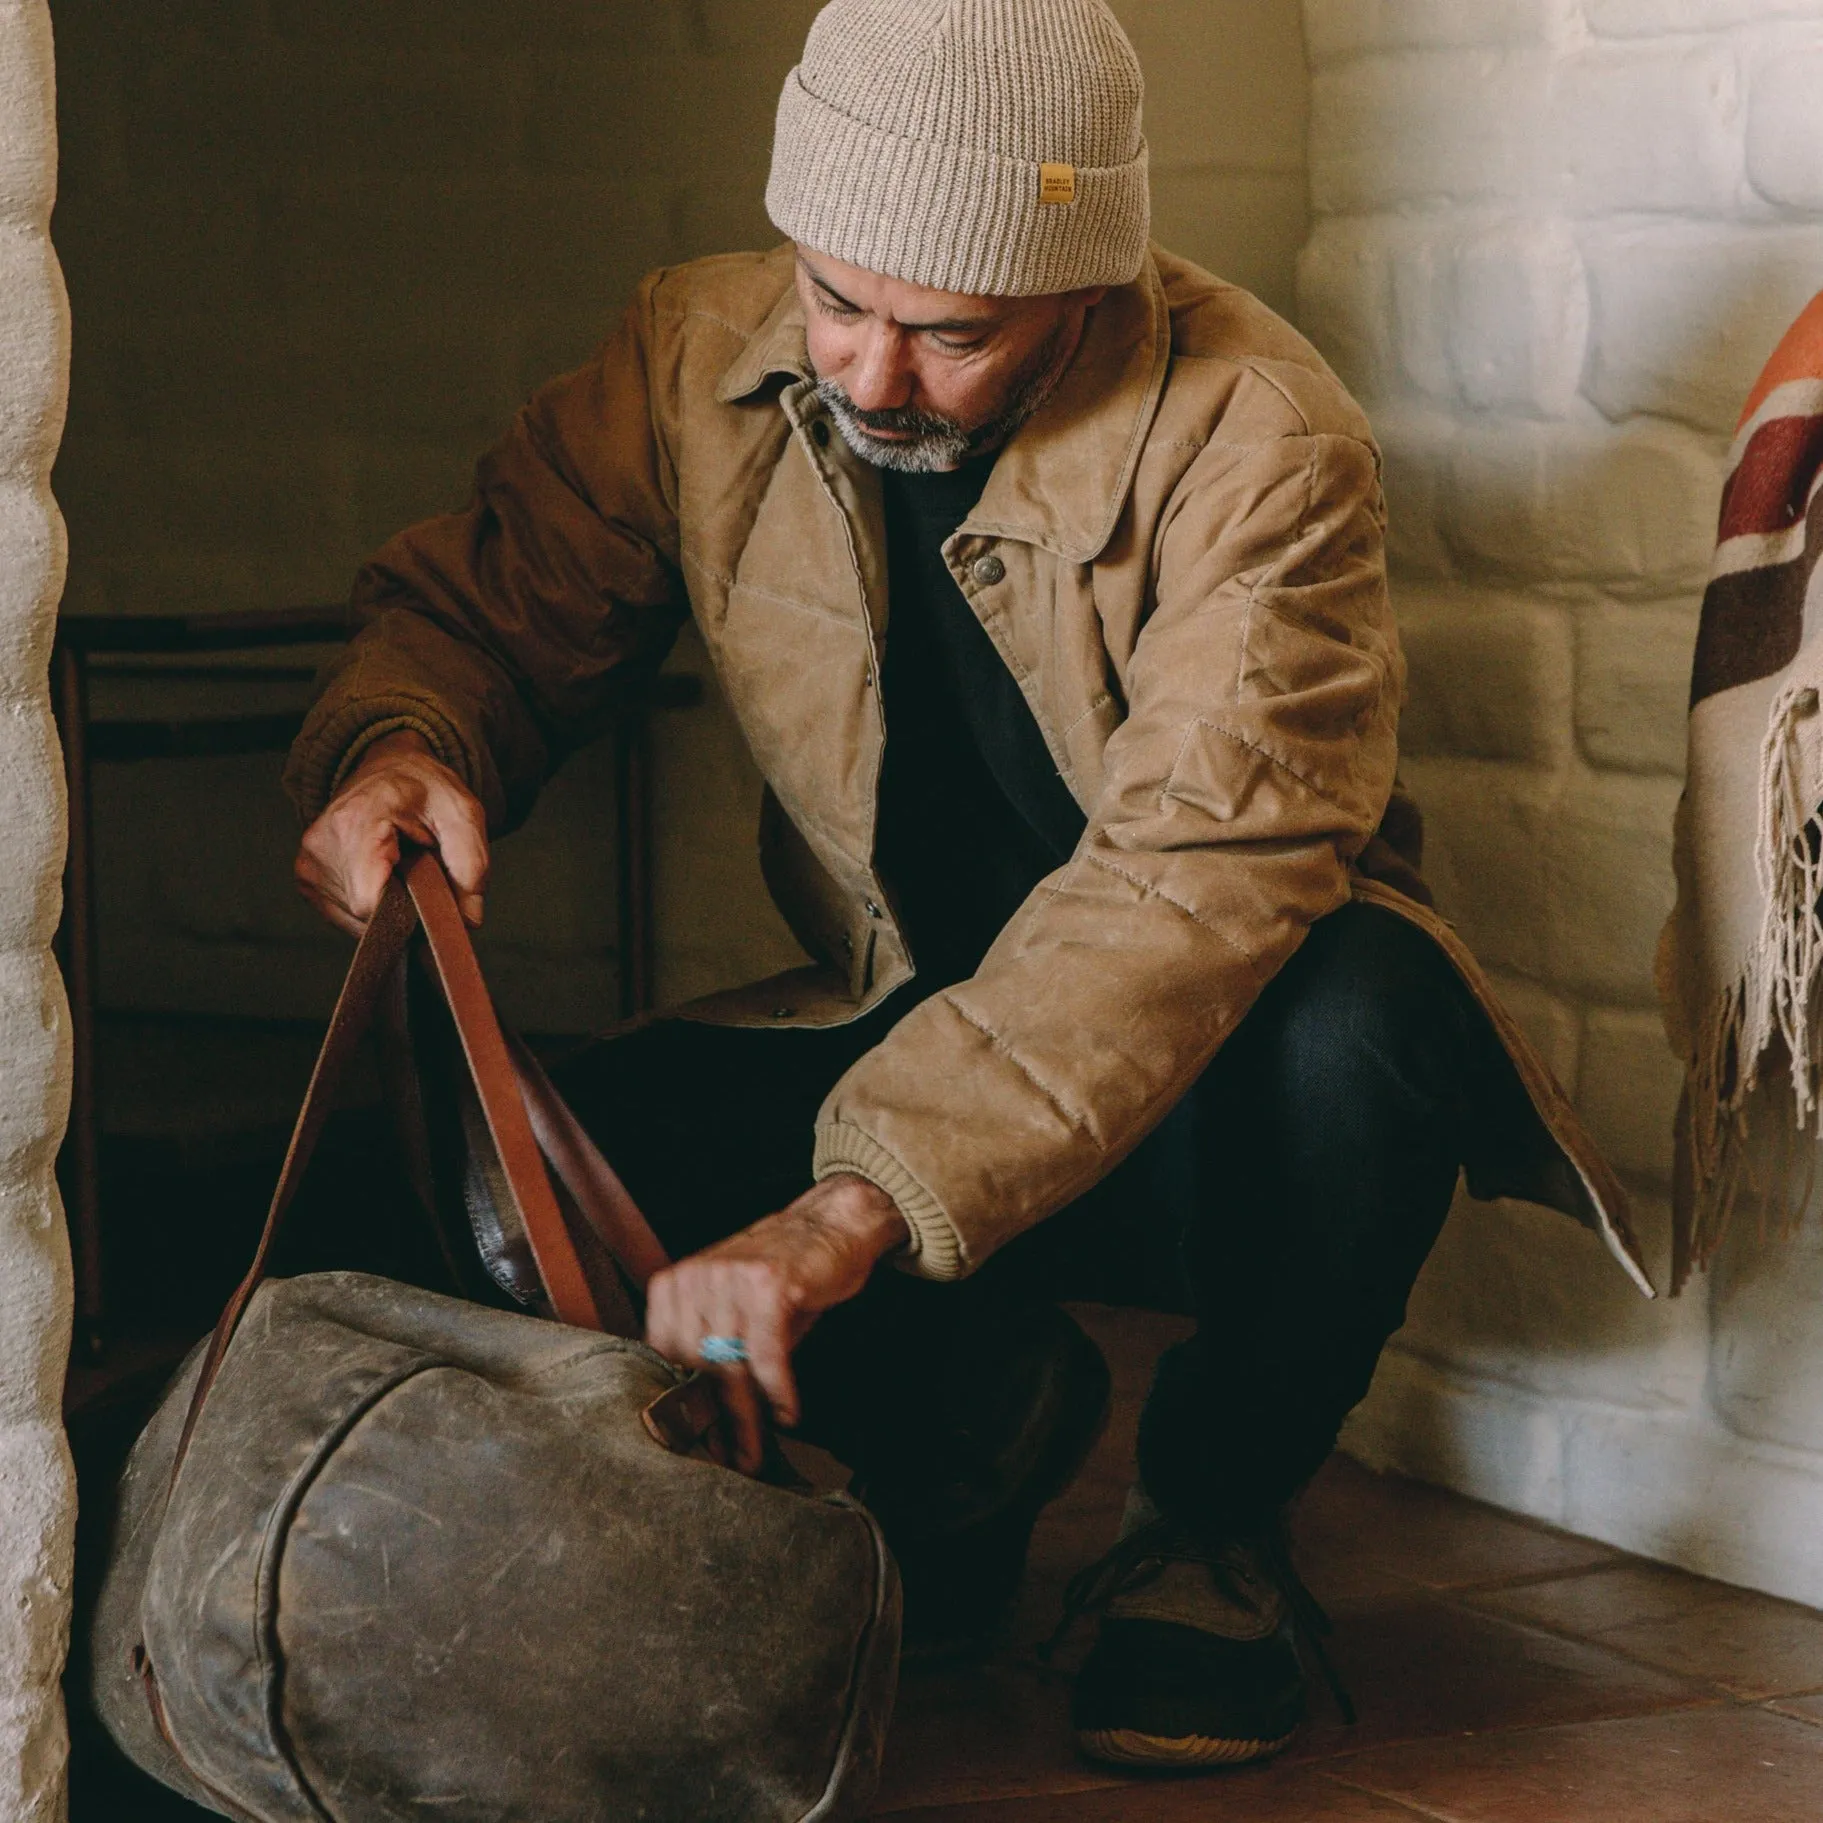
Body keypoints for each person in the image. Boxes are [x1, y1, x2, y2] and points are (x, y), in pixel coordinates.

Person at [285, 0, 1651, 1771]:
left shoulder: (1263, 441)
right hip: (884, 1020)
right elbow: (485, 612)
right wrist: (403, 742)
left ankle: (1207, 1531)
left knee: (1373, 1026)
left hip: (1198, 1079)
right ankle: (969, 1409)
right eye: (833, 299)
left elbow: (1186, 890)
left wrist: (844, 1210)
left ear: (1087, 287)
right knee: (496, 1167)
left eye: (946, 333)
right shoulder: (687, 350)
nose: (864, 373)